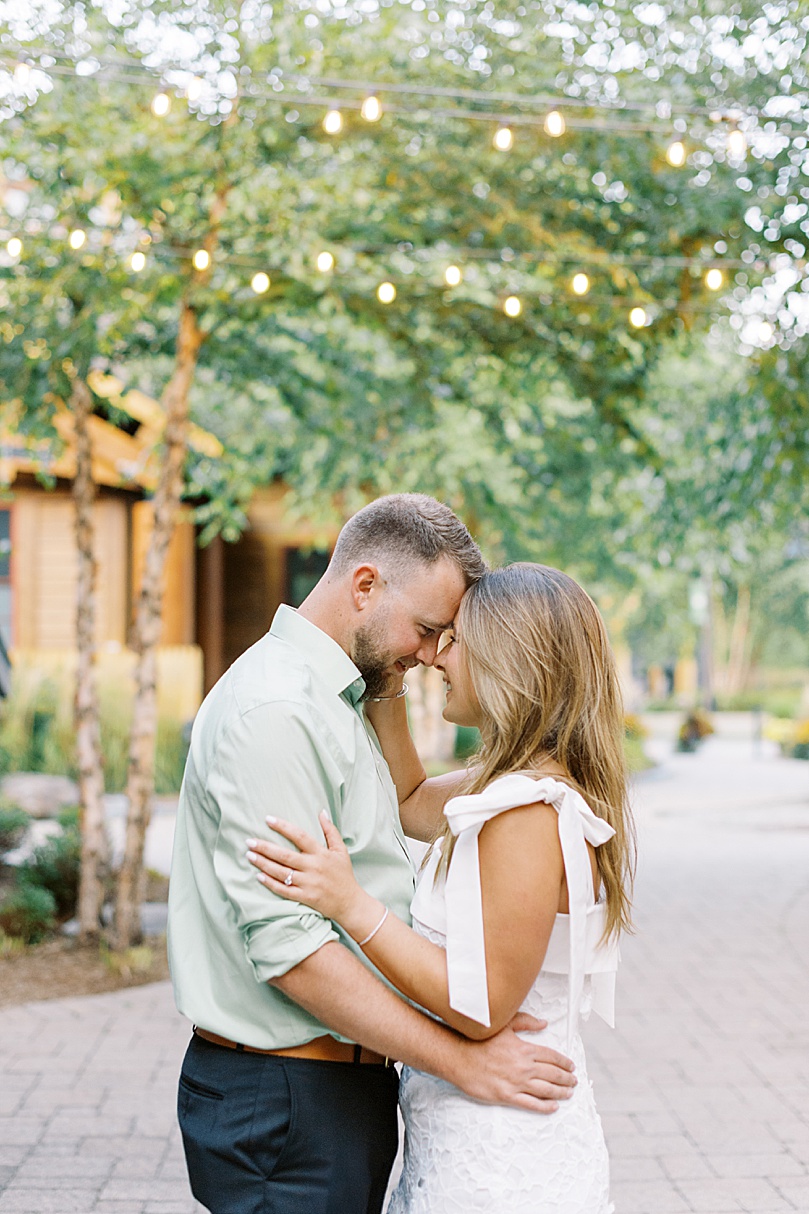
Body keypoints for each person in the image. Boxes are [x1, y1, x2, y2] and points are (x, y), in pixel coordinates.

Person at [168, 498, 577, 1214]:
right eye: (426, 630)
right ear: (364, 586)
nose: (429, 655)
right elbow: (292, 952)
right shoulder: (277, 713)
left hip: (340, 1091)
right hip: (284, 1100)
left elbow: (410, 801)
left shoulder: (336, 700)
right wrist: (462, 1064)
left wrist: (382, 685)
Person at [247, 562, 635, 1214]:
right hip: (479, 1129)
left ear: (508, 658)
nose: (436, 656)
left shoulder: (523, 813)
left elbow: (481, 1006)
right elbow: (409, 799)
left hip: (499, 1153)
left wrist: (350, 904)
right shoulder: (510, 785)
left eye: (454, 639)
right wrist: (386, 672)